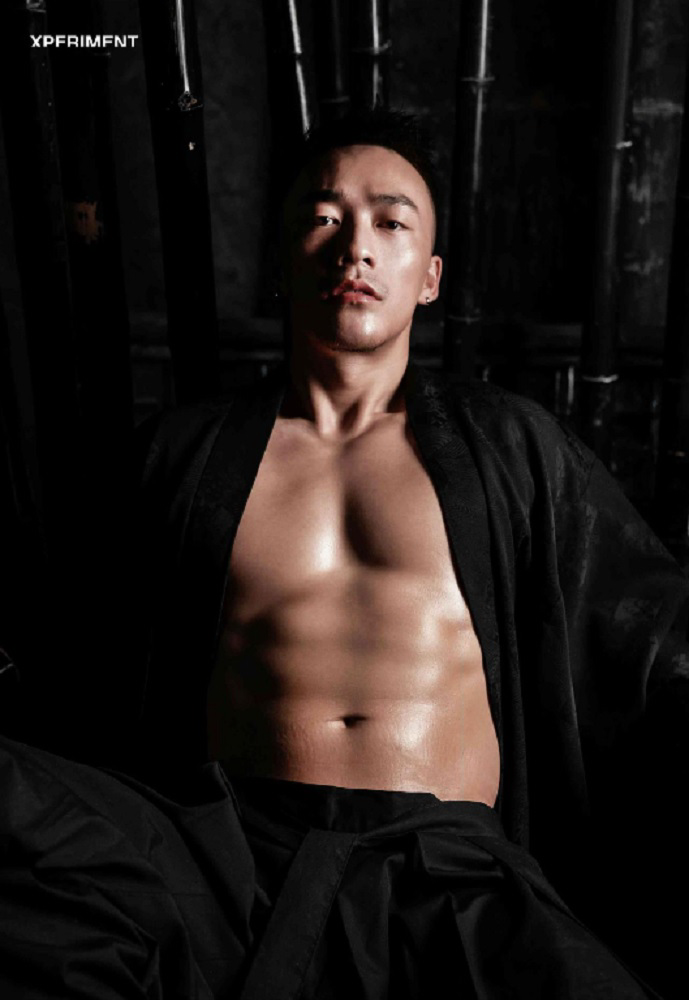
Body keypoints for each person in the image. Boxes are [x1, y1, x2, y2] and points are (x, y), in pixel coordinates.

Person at [1, 109, 688, 999]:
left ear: (429, 277)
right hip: (223, 856)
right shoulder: (183, 455)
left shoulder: (510, 448)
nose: (354, 246)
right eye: (324, 218)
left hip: (446, 869)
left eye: (391, 222)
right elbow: (70, 648)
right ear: (281, 262)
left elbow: (650, 631)